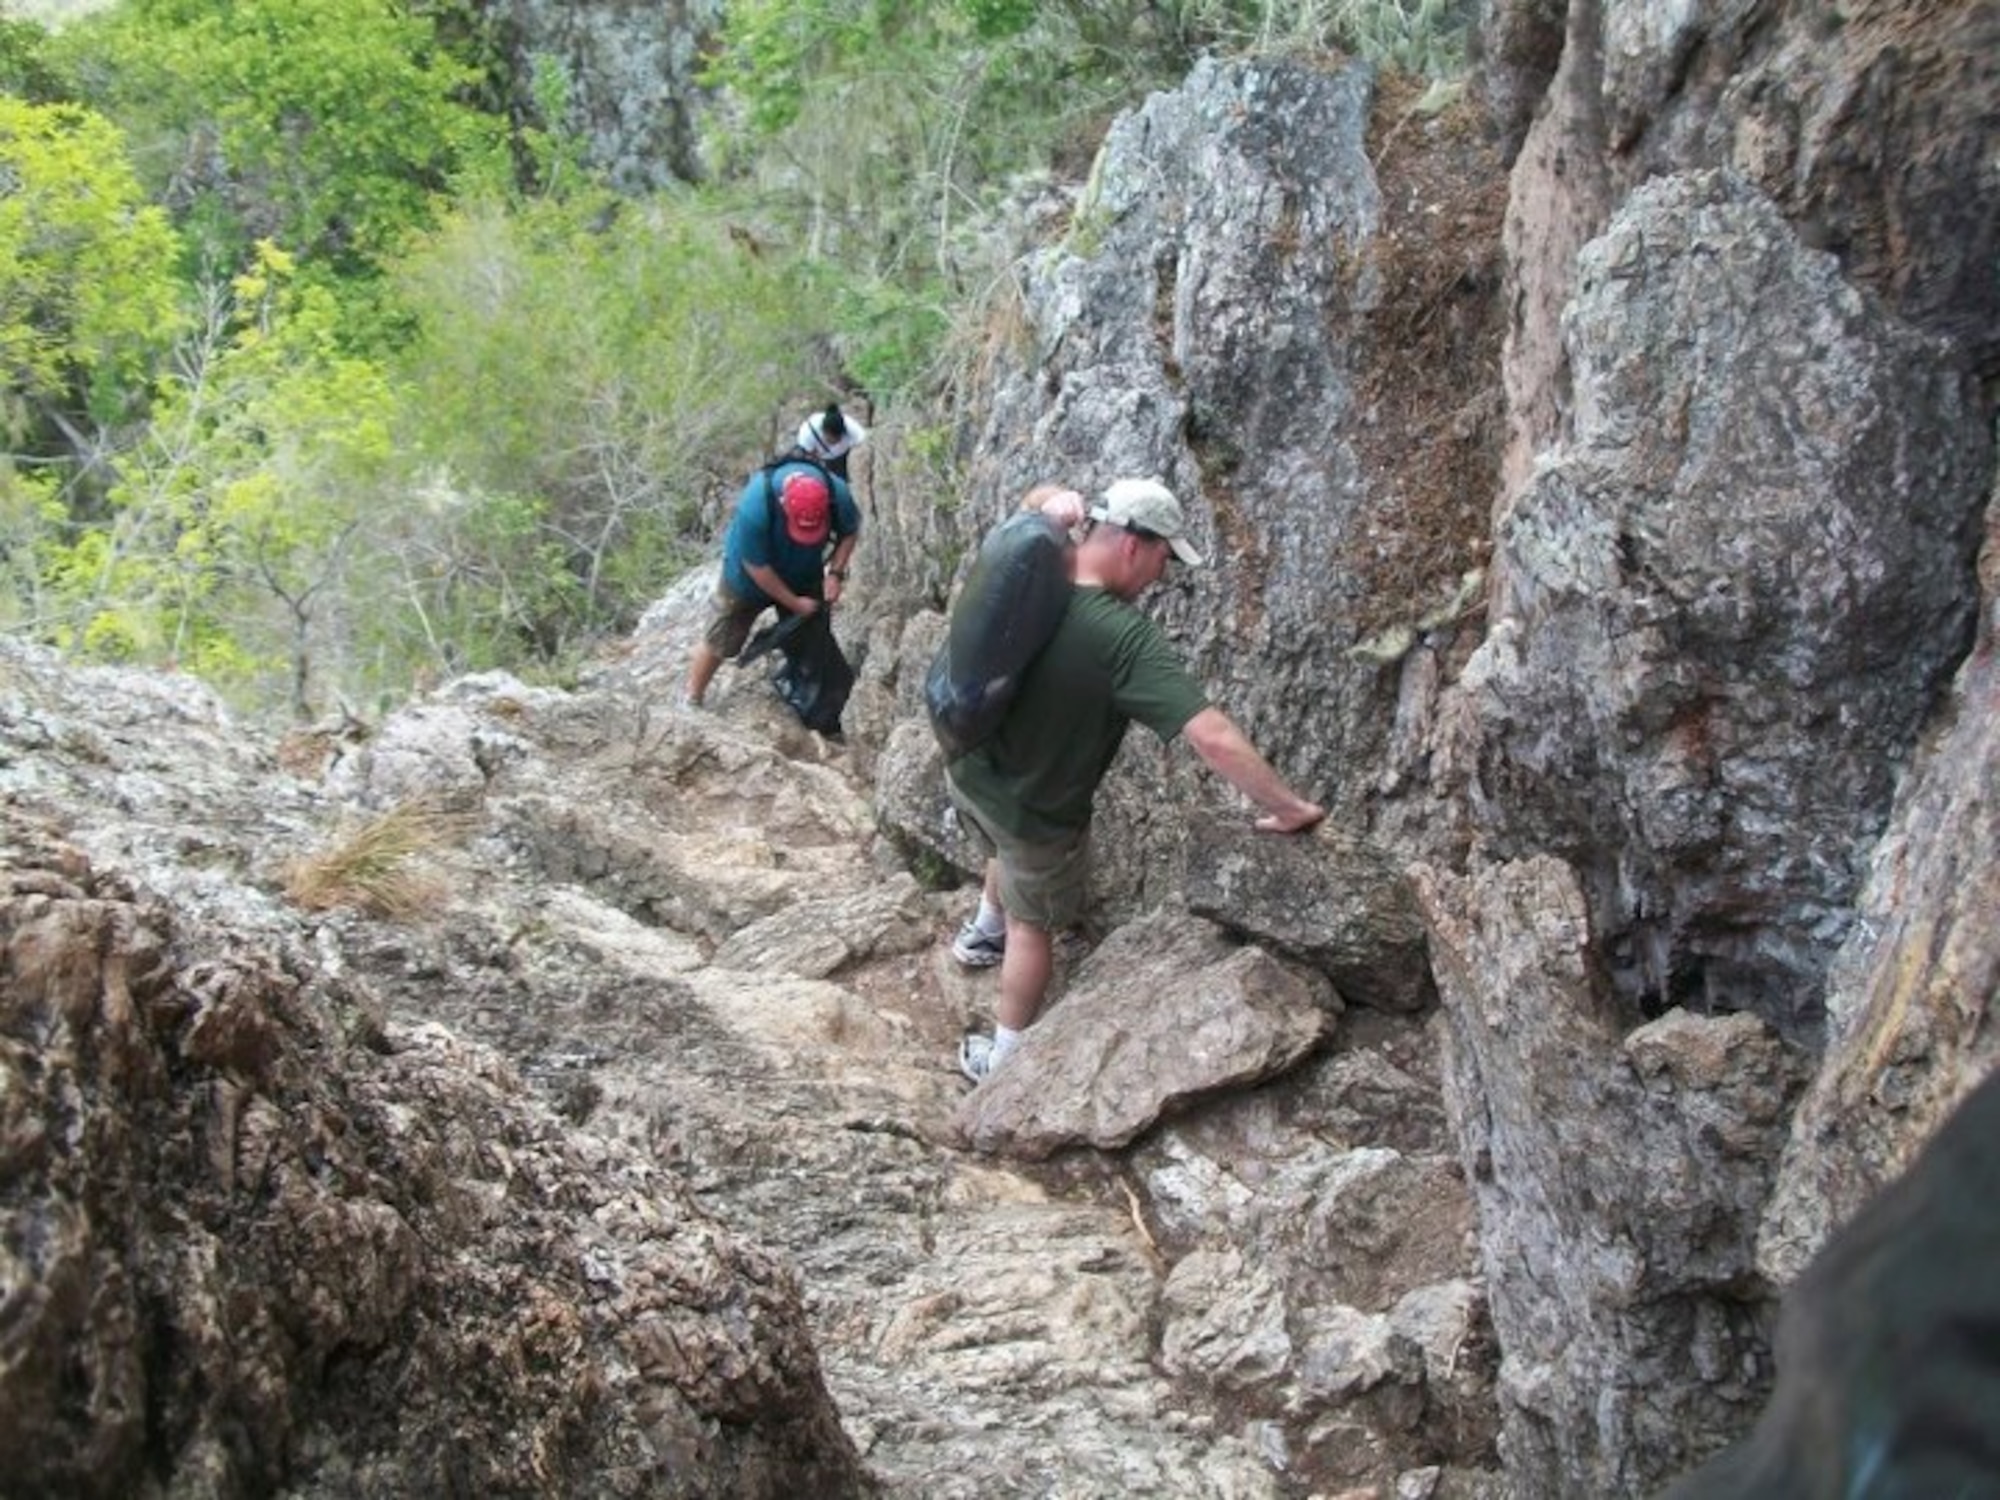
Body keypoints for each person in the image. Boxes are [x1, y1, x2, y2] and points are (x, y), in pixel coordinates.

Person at [946, 477, 1325, 1083]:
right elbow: (1212, 737)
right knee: (1033, 925)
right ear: (1133, 546)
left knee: (1001, 849)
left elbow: (1027, 510)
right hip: (1037, 816)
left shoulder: (1035, 564)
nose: (1162, 573)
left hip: (970, 772)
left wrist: (1049, 501)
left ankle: (978, 935)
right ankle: (1003, 1060)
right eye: (1163, 557)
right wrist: (1287, 807)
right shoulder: (1122, 637)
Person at [681, 450, 861, 709]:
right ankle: (692, 696)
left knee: (808, 634)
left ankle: (812, 697)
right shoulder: (755, 505)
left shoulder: (836, 493)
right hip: (746, 579)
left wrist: (835, 575)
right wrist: (794, 603)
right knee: (723, 637)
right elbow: (757, 567)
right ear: (784, 503)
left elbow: (849, 532)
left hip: (803, 570)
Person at [795, 402, 869, 480]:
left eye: (838, 439)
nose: (835, 443)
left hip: (843, 456)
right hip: (822, 457)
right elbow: (808, 455)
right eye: (831, 440)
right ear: (824, 431)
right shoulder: (808, 433)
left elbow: (863, 441)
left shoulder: (850, 426)